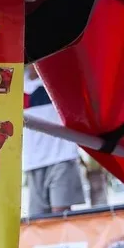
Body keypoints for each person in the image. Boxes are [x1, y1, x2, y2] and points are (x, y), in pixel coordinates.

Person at [23, 64, 86, 216]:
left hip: (62, 158)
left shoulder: (58, 81)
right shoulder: (13, 85)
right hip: (33, 163)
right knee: (39, 221)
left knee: (61, 218)